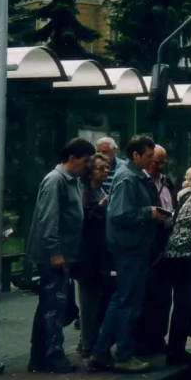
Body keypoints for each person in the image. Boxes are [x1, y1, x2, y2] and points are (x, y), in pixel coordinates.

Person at [88, 135, 163, 374]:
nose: (152, 160)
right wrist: (148, 213)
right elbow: (119, 213)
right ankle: (123, 355)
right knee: (128, 302)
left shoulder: (132, 176)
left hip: (132, 247)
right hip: (130, 248)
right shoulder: (128, 178)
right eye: (149, 155)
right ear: (136, 155)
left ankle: (101, 353)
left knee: (121, 299)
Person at [26, 137, 96, 374]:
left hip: (65, 252)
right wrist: (55, 251)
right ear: (72, 158)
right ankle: (52, 354)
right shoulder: (56, 180)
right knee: (54, 304)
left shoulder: (71, 181)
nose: (86, 166)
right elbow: (48, 218)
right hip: (55, 255)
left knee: (51, 303)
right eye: (85, 161)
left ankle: (40, 354)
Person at [163, 169, 191, 364]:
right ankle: (176, 351)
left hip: (179, 256)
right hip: (185, 257)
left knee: (185, 302)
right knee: (184, 303)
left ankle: (178, 347)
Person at [136, 145, 178, 356]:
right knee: (148, 294)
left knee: (163, 296)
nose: (160, 167)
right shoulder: (140, 181)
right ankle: (145, 341)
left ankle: (158, 338)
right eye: (156, 162)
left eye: (163, 162)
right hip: (149, 245)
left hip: (165, 242)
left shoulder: (166, 181)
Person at [75, 154, 115, 359]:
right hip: (89, 256)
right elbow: (83, 218)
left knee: (98, 300)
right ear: (90, 172)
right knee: (89, 303)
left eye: (106, 168)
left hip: (100, 255)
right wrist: (99, 207)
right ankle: (88, 344)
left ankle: (88, 341)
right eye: (100, 168)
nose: (105, 171)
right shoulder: (86, 192)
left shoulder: (101, 190)